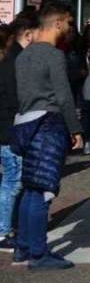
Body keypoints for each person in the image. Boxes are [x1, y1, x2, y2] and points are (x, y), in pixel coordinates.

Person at [12, 2, 83, 270]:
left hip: (26, 123)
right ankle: (39, 254)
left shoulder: (22, 56)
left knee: (31, 188)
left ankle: (23, 247)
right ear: (57, 23)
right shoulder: (54, 56)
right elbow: (63, 96)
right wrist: (75, 129)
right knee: (43, 191)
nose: (69, 28)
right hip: (48, 124)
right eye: (68, 23)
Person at [0, 13, 38, 252]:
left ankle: (8, 225)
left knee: (12, 179)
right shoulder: (13, 61)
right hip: (9, 128)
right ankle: (3, 231)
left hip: (7, 127)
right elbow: (14, 99)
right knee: (13, 181)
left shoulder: (12, 58)